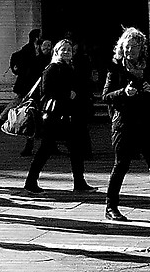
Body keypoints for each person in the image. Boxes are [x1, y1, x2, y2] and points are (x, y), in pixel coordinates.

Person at [102, 27, 150, 221]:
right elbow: (106, 96)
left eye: (135, 47)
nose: (130, 51)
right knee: (121, 165)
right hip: (124, 122)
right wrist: (123, 92)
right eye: (127, 46)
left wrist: (149, 89)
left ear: (141, 48)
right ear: (122, 47)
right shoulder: (115, 67)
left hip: (146, 121)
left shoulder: (148, 67)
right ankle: (111, 207)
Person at [21, 39, 96, 196]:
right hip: (55, 117)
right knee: (45, 149)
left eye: (69, 49)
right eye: (63, 49)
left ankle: (79, 182)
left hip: (69, 116)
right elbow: (45, 91)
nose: (67, 52)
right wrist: (66, 94)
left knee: (76, 149)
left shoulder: (70, 67)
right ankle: (30, 182)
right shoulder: (52, 68)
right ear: (56, 52)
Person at [11, 29, 48, 156]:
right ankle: (29, 144)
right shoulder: (26, 51)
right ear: (36, 38)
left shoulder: (45, 52)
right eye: (40, 36)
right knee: (30, 116)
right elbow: (20, 65)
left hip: (42, 89)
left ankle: (49, 144)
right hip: (30, 88)